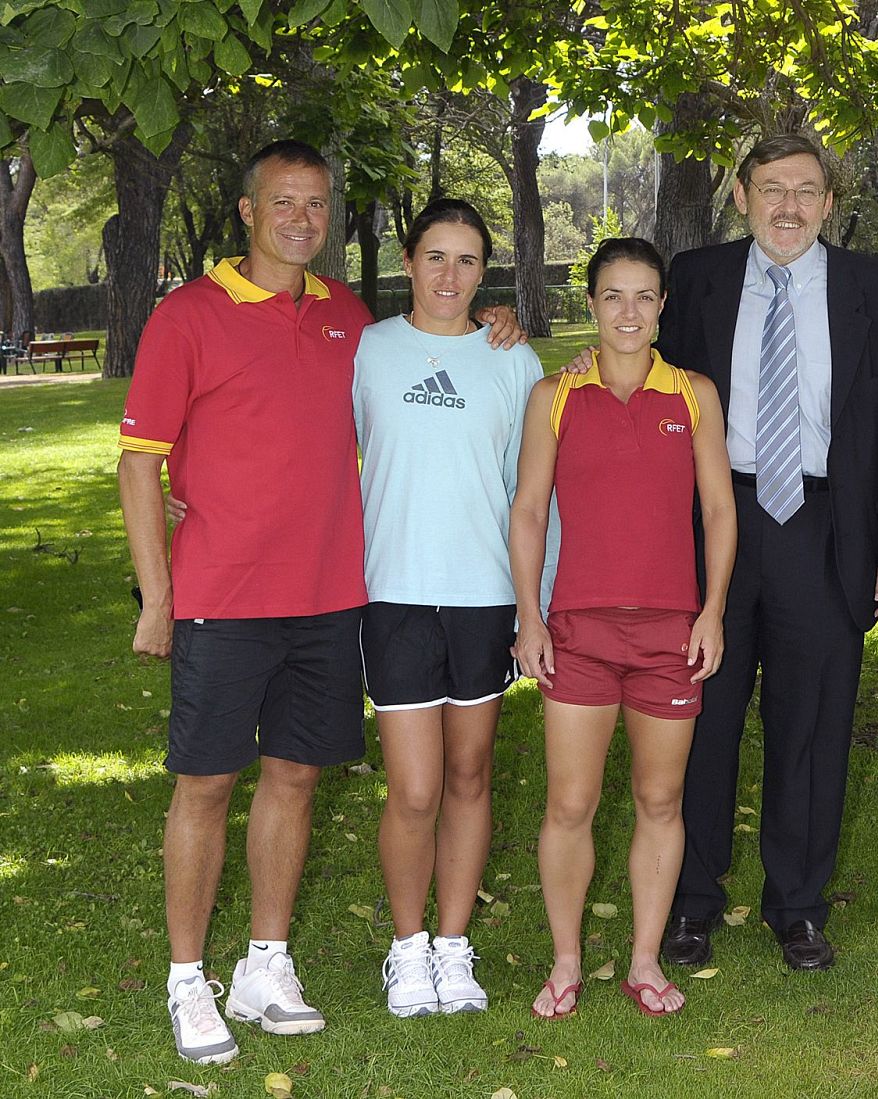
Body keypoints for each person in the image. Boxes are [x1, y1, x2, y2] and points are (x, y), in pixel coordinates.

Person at [120, 140, 522, 1064]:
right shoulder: (187, 316)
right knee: (207, 782)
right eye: (284, 202)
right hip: (222, 595)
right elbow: (140, 462)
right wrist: (157, 592)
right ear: (249, 213)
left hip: (332, 596)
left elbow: (437, 350)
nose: (303, 218)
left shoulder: (348, 318)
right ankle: (190, 979)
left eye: (317, 203)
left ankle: (267, 962)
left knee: (295, 778)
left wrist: (495, 318)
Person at [648, 134, 878, 972]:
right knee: (703, 716)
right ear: (741, 196)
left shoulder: (877, 292)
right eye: (772, 189)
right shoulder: (693, 280)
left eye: (807, 190)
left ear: (829, 203)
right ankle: (691, 901)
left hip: (825, 528)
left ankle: (797, 905)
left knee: (812, 722)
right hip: (714, 523)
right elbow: (629, 356)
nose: (789, 207)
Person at [510, 238, 736, 1018]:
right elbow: (530, 511)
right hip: (577, 629)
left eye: (644, 296)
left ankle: (644, 960)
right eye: (613, 296)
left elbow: (718, 510)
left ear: (663, 304)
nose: (629, 312)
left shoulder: (695, 393)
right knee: (570, 803)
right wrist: (529, 617)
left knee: (659, 799)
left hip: (671, 634)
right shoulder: (555, 394)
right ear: (592, 303)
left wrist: (711, 611)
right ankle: (567, 961)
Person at [350, 198, 547, 1018]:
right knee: (417, 787)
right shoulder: (367, 350)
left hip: (483, 594)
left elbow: (530, 494)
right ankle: (407, 948)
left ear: (485, 271)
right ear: (407, 257)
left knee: (470, 773)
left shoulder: (513, 359)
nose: (450, 275)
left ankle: (453, 947)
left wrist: (533, 606)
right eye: (436, 256)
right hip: (394, 591)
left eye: (468, 261)